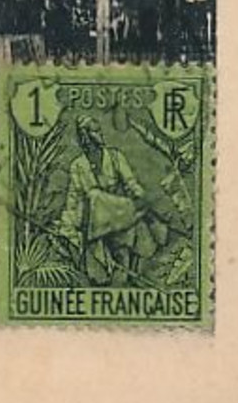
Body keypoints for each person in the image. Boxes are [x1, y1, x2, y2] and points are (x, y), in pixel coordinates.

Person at [57, 115, 169, 285]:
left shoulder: (116, 157)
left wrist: (140, 197)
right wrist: (68, 225)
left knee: (121, 219)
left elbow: (131, 183)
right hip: (95, 221)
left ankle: (126, 274)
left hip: (117, 213)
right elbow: (73, 198)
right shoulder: (78, 166)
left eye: (99, 131)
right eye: (95, 132)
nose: (99, 135)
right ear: (85, 136)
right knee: (94, 197)